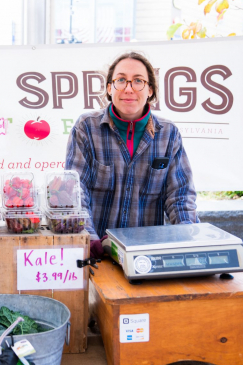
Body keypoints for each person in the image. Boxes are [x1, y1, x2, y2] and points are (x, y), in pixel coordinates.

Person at [65, 52, 198, 259]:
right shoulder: (87, 128)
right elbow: (75, 191)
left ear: (150, 90)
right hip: (97, 254)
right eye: (120, 80)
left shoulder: (168, 134)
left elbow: (180, 196)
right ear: (109, 88)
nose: (129, 88)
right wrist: (89, 239)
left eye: (138, 81)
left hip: (148, 254)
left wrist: (189, 240)